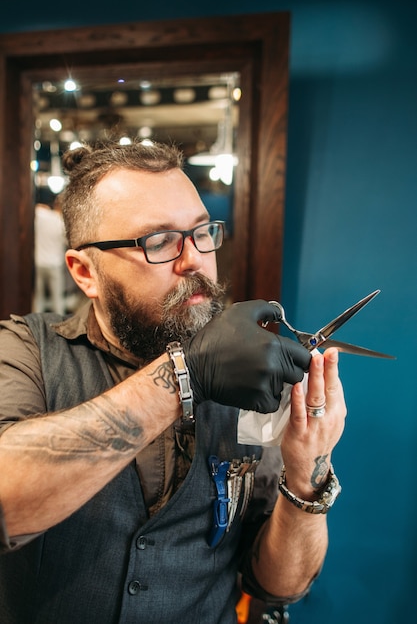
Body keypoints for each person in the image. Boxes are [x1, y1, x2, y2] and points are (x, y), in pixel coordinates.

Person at [0, 140, 346, 624]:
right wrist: (187, 374)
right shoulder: (25, 351)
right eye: (158, 241)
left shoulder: (253, 378)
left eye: (202, 232)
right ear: (85, 272)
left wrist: (306, 474)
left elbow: (276, 585)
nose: (194, 261)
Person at [33, 198, 66, 314]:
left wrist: (43, 206)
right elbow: (67, 242)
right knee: (57, 297)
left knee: (39, 296)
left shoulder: (43, 216)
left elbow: (35, 208)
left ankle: (35, 322)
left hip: (39, 261)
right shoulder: (62, 223)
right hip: (55, 264)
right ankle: (60, 324)